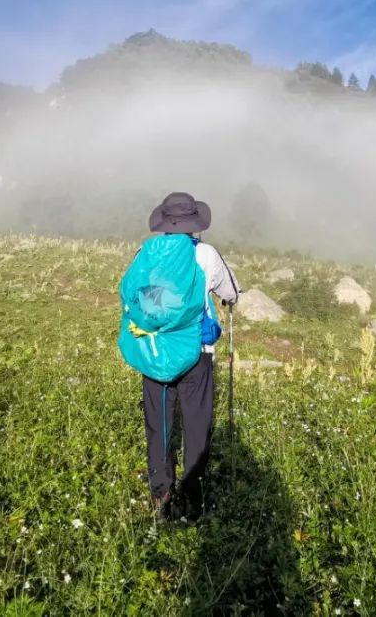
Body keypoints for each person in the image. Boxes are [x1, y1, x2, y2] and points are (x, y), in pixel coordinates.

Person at [134, 192, 239, 522]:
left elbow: (136, 296)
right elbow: (231, 292)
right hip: (196, 353)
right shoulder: (206, 253)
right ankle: (193, 502)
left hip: (156, 351)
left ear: (163, 222)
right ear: (195, 222)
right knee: (196, 425)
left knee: (159, 425)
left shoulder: (146, 252)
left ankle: (162, 499)